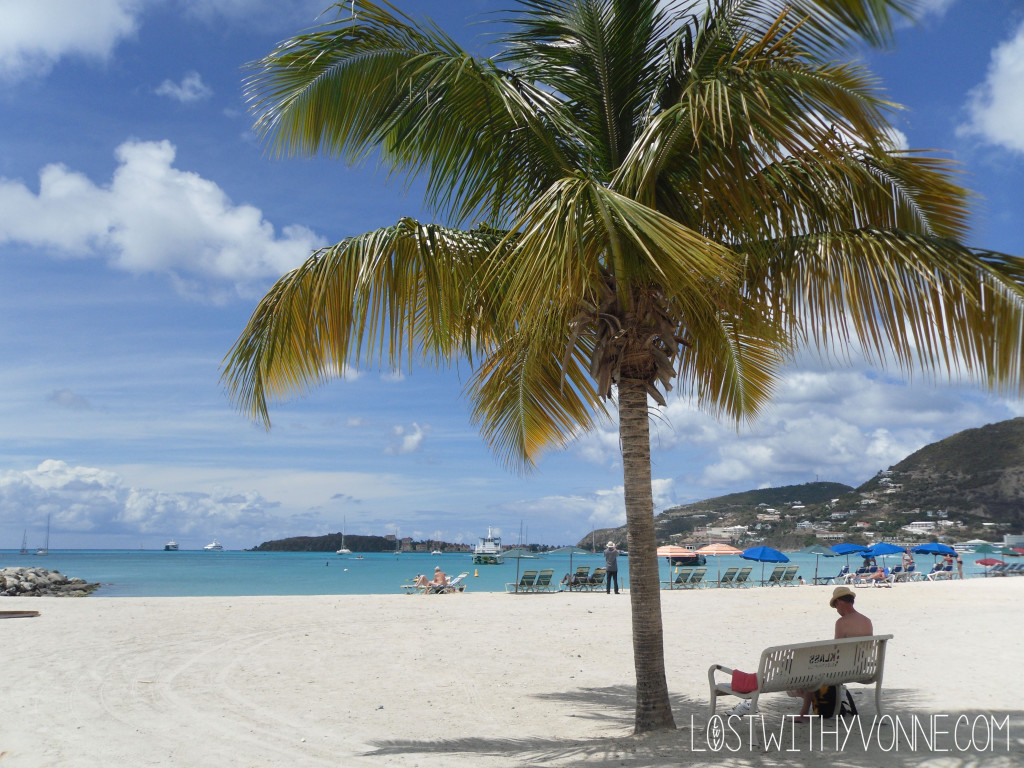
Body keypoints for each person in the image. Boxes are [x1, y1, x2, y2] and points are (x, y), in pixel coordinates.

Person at [735, 587, 873, 720]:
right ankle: (802, 694)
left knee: (808, 670)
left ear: (840, 602)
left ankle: (803, 710)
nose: (837, 610)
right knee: (811, 669)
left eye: (836, 606)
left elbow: (836, 650)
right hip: (861, 667)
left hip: (843, 669)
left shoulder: (842, 622)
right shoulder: (867, 621)